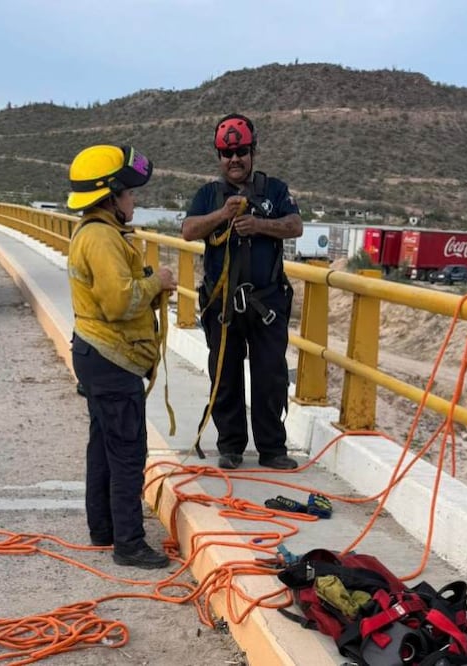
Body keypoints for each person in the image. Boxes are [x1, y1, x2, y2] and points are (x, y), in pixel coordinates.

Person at [65, 144, 177, 569]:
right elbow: (118, 303)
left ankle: (104, 529)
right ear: (110, 196)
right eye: (129, 193)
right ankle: (128, 543)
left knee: (104, 448)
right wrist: (156, 282)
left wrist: (145, 282)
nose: (134, 200)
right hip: (112, 360)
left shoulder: (94, 234)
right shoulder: (102, 238)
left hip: (98, 355)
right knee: (128, 453)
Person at [182, 113, 303, 471]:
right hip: (222, 306)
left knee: (270, 377)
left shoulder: (275, 191)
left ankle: (272, 449)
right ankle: (230, 447)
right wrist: (222, 214)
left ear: (253, 151)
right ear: (219, 156)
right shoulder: (208, 195)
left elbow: (295, 225)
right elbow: (188, 231)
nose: (234, 159)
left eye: (241, 151)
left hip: (266, 303)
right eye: (226, 153)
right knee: (225, 377)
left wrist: (259, 225)